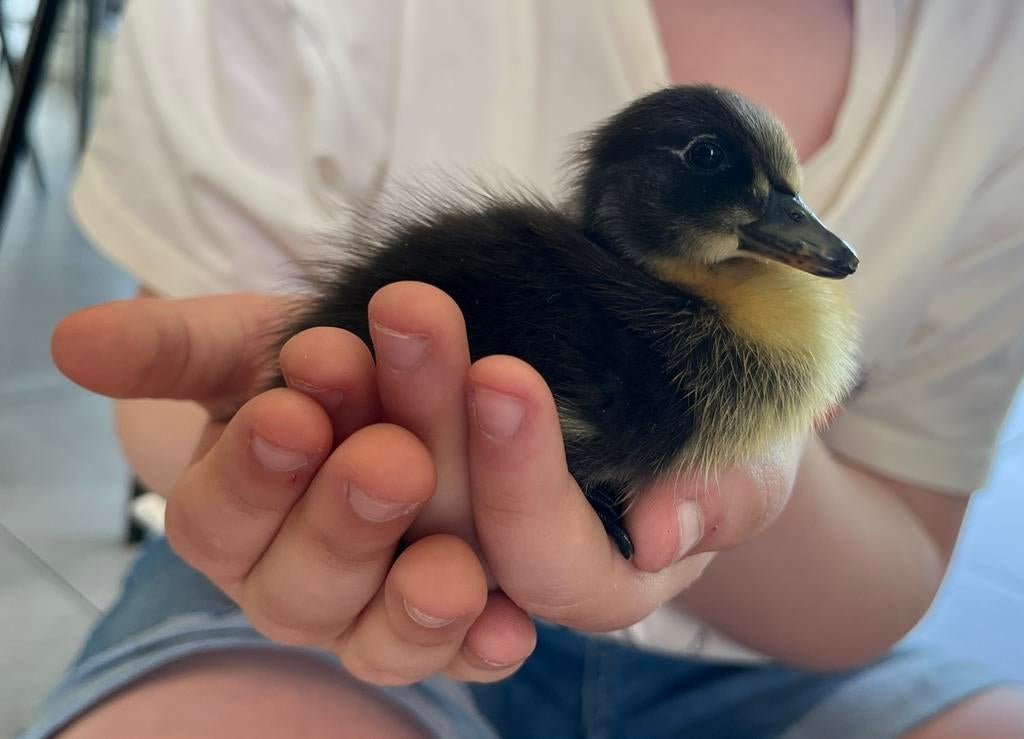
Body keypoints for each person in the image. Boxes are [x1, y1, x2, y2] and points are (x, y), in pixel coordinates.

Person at [22, 1, 1024, 737]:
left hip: (761, 669)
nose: (795, 232)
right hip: (298, 597)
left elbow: (897, 554)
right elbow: (212, 400)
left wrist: (739, 500)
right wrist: (258, 450)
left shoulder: (995, 60)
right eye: (741, 191)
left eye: (778, 196)